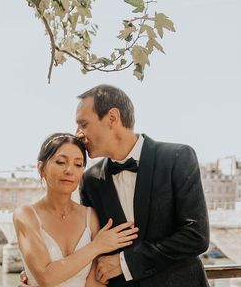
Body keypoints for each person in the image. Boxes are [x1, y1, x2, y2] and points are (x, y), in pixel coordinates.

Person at [20, 85, 210, 287]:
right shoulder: (90, 180)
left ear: (112, 118)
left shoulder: (177, 158)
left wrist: (126, 263)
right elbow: (90, 248)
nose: (78, 134)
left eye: (83, 124)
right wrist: (35, 275)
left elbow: (196, 236)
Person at [13, 133, 139, 287]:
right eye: (60, 162)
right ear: (41, 168)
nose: (69, 170)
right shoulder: (26, 215)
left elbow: (94, 283)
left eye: (78, 164)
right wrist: (97, 246)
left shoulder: (90, 216)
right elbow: (46, 278)